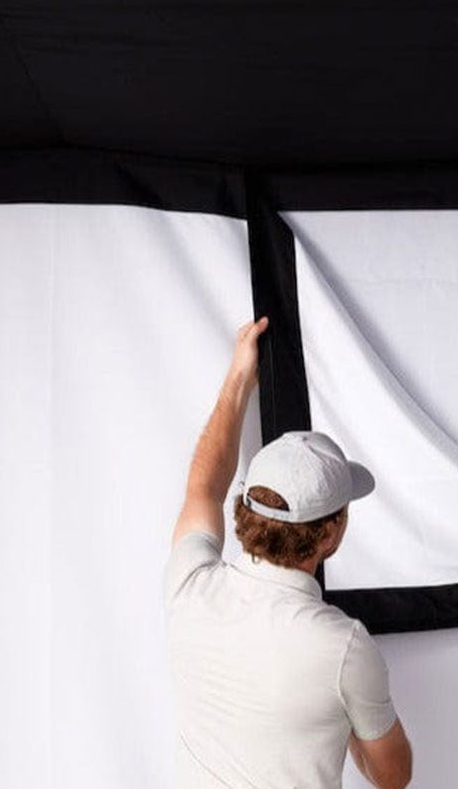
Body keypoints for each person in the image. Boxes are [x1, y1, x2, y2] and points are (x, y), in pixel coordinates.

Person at [163, 315, 413, 789]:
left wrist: (239, 376)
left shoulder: (189, 586)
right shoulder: (344, 647)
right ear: (330, 535)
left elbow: (203, 486)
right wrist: (345, 706)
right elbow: (393, 776)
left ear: (247, 507)